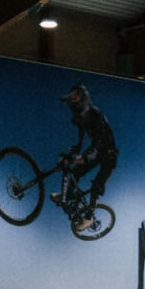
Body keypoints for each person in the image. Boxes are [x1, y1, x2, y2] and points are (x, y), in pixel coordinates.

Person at [59, 84, 117, 216]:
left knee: (97, 186)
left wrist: (81, 158)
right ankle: (68, 196)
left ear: (83, 99)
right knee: (75, 172)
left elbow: (100, 143)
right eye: (71, 100)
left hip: (109, 152)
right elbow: (82, 130)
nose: (72, 103)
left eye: (75, 98)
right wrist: (78, 145)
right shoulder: (79, 118)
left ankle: (89, 215)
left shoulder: (94, 114)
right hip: (96, 148)